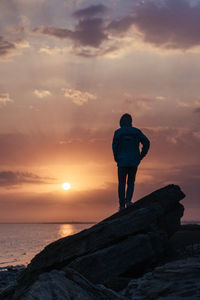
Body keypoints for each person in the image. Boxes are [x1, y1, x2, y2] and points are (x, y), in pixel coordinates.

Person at [112, 113, 150, 211]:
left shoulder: (118, 132)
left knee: (121, 183)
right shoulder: (136, 132)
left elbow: (114, 147)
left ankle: (121, 206)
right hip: (134, 160)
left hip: (122, 160)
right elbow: (146, 142)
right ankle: (128, 201)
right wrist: (141, 155)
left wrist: (116, 157)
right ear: (130, 121)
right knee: (131, 182)